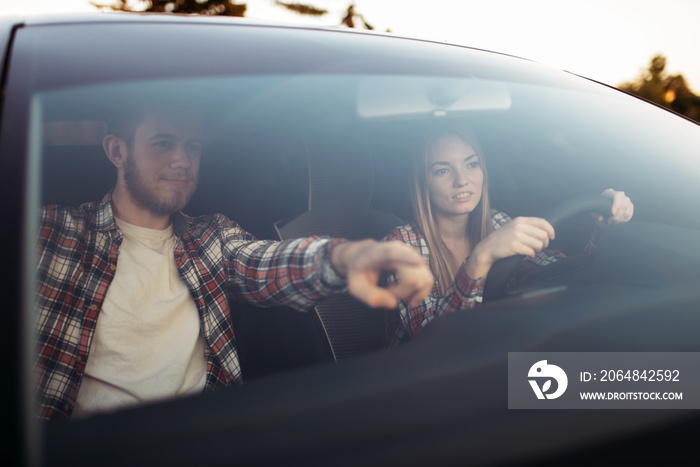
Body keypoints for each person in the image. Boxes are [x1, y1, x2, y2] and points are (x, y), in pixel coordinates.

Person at [34, 103, 433, 422]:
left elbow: (267, 262)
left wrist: (346, 256)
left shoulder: (211, 237)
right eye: (163, 143)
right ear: (117, 151)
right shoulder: (53, 231)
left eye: (192, 146)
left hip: (203, 442)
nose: (182, 161)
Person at [382, 129, 634, 348]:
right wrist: (480, 257)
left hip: (492, 358)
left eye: (471, 165)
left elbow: (561, 274)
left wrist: (604, 229)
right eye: (442, 170)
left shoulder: (496, 222)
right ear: (421, 181)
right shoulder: (399, 248)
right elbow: (436, 345)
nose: (462, 181)